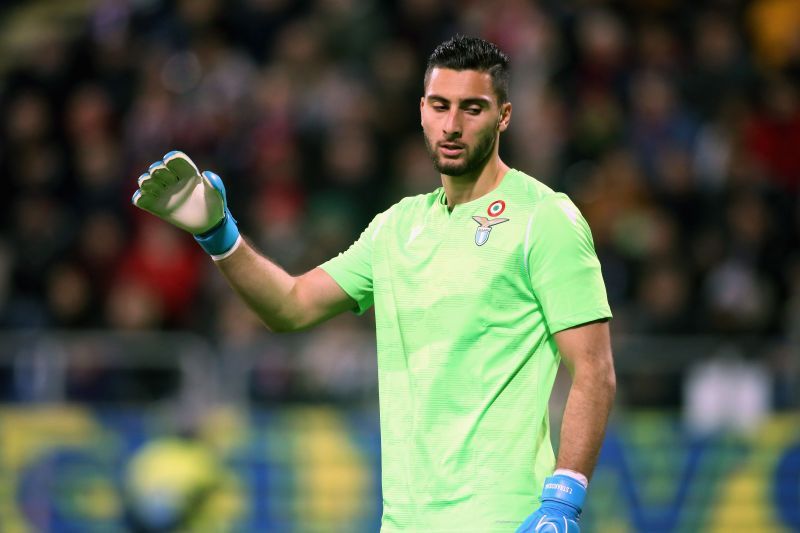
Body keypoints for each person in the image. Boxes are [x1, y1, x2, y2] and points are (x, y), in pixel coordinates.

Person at [132, 35, 616, 533]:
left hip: (504, 519)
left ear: (504, 116)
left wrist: (563, 499)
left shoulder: (544, 217)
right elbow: (291, 306)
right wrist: (219, 235)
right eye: (440, 106)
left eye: (473, 109)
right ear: (422, 110)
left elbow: (594, 368)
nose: (452, 125)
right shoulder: (395, 228)